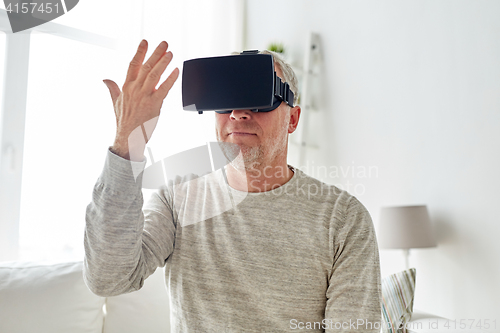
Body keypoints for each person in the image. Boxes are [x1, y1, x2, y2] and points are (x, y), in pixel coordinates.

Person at [84, 39, 382, 332]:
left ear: (292, 119)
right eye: (227, 100)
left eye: (259, 98)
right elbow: (108, 278)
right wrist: (127, 141)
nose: (239, 113)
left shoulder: (343, 219)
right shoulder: (177, 199)